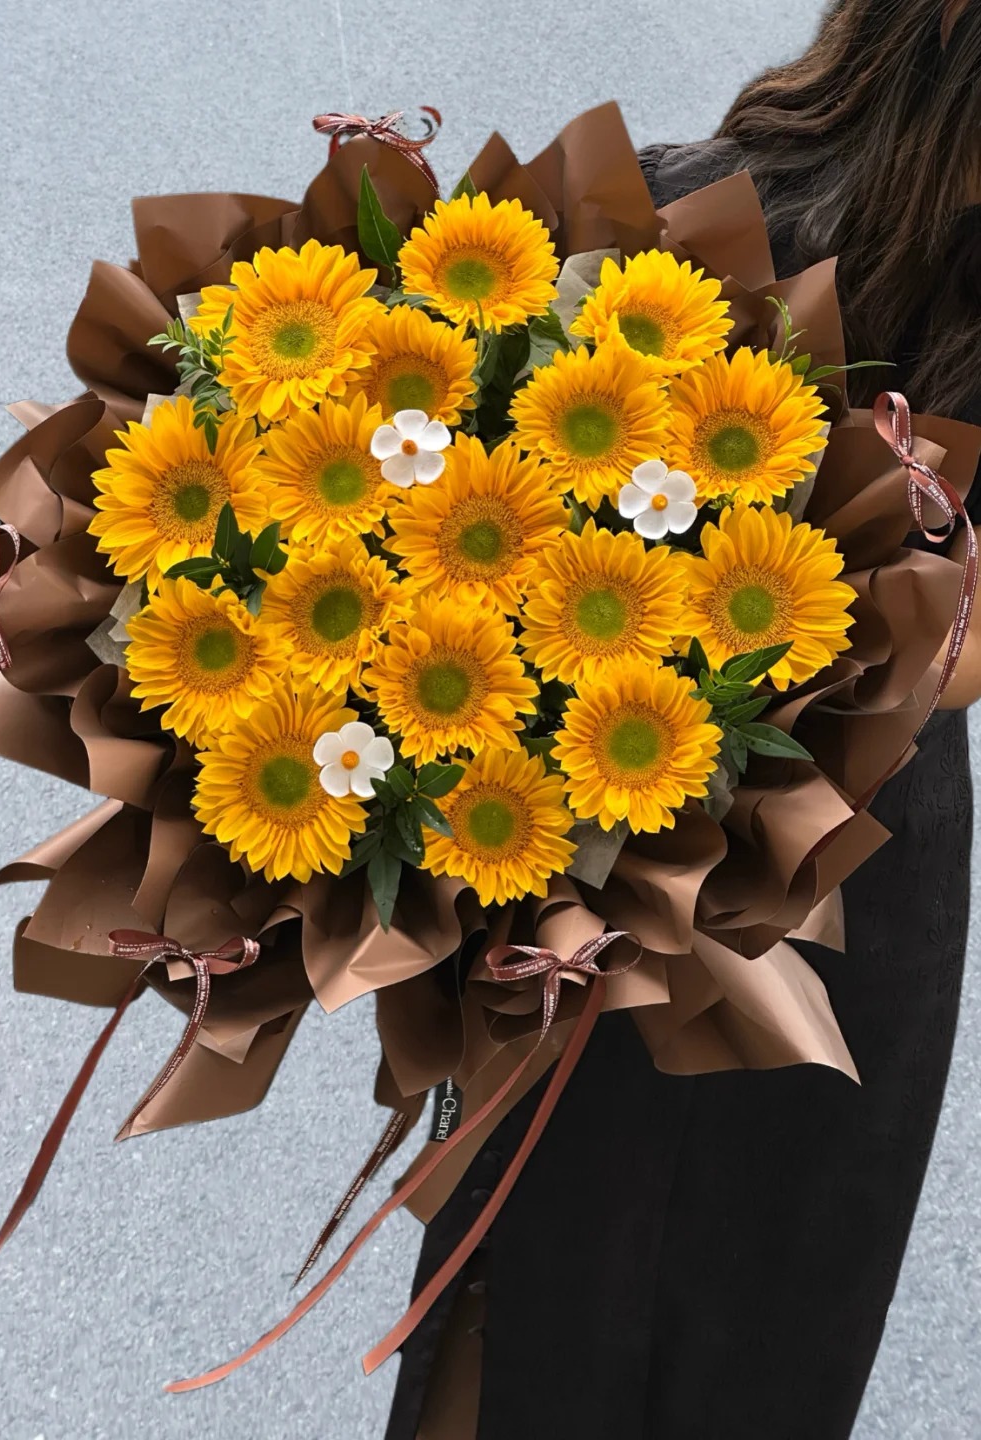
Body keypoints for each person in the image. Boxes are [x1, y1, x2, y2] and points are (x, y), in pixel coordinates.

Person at [385, 2, 981, 1436]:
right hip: (838, 877)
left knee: (525, 1270)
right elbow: (945, 660)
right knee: (740, 1317)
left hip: (576, 850)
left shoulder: (669, 204)